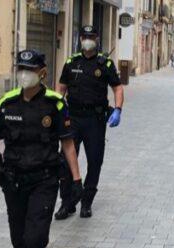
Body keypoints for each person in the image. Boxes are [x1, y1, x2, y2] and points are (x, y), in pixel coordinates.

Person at [0, 49, 82, 248]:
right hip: (14, 181)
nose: (24, 73)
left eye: (30, 69)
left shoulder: (55, 104)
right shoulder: (6, 103)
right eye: (21, 68)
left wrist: (76, 180)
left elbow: (68, 145)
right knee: (19, 240)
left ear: (42, 72)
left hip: (44, 180)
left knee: (35, 240)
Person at [55, 25, 124, 220]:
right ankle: (66, 203)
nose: (87, 39)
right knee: (66, 161)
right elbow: (61, 88)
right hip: (73, 119)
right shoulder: (71, 62)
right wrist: (58, 110)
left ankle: (86, 202)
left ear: (96, 38)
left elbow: (117, 88)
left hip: (95, 120)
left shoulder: (105, 64)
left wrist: (118, 109)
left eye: (90, 36)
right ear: (80, 39)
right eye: (84, 36)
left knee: (95, 161)